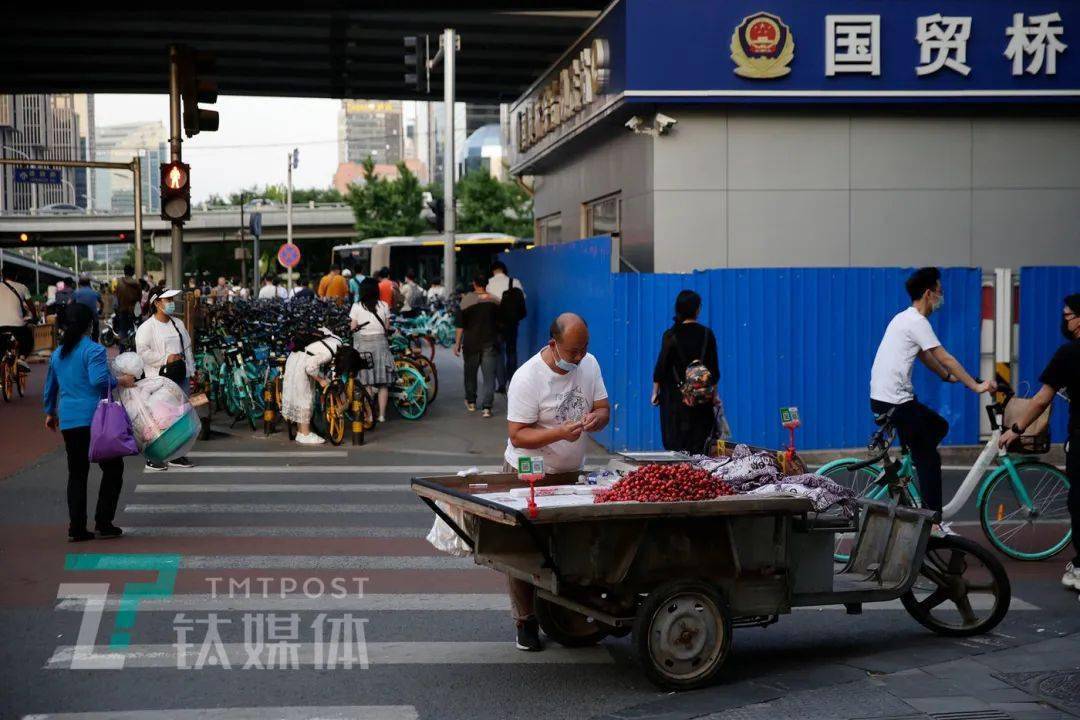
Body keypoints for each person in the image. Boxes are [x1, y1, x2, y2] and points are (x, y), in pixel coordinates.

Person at [503, 312, 610, 650]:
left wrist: (596, 420)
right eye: (572, 351)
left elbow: (604, 409)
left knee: (568, 549)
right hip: (530, 472)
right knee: (523, 551)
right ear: (553, 345)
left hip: (572, 473)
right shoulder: (527, 378)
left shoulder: (590, 364)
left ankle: (562, 614)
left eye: (584, 349)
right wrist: (558, 432)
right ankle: (525, 622)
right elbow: (517, 435)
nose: (579, 358)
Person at [869, 267, 994, 521]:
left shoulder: (904, 318)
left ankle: (913, 460)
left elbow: (925, 355)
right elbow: (944, 356)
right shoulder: (916, 321)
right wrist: (975, 386)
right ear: (928, 293)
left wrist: (945, 376)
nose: (942, 297)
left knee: (938, 426)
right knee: (930, 459)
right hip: (896, 401)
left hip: (889, 398)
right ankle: (933, 521)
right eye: (940, 291)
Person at [999, 293, 1079, 594]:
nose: (1065, 319)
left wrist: (1016, 429)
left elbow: (1042, 399)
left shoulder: (1068, 354)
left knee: (1078, 502)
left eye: (1068, 314)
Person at [43, 303, 135, 542]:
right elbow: (98, 380)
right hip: (96, 420)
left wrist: (50, 413)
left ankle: (77, 527)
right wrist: (120, 380)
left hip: (70, 421)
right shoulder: (93, 350)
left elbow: (50, 387)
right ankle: (104, 522)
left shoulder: (57, 353)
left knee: (77, 474)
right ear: (89, 324)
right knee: (113, 468)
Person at [651, 290, 721, 453]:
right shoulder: (707, 334)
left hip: (676, 403)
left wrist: (654, 392)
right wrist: (715, 396)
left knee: (677, 451)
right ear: (697, 310)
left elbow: (661, 367)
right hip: (701, 402)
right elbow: (714, 370)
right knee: (700, 448)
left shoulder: (671, 335)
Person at [134, 287, 196, 471]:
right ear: (157, 303)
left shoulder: (178, 324)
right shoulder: (147, 328)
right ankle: (153, 457)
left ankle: (176, 454)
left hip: (181, 377)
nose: (171, 303)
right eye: (167, 299)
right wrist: (165, 358)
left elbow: (187, 349)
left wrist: (192, 371)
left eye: (172, 299)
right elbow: (142, 353)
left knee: (180, 418)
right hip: (159, 381)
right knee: (160, 421)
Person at [281, 328, 343, 445]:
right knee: (305, 399)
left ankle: (300, 432)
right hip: (302, 365)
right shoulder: (329, 352)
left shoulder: (327, 340)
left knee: (298, 397)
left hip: (294, 359)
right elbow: (310, 368)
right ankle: (305, 434)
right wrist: (320, 380)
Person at [454, 274, 500, 418]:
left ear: (474, 284)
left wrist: (457, 344)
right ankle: (487, 408)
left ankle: (472, 402)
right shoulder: (495, 300)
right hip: (490, 342)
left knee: (470, 374)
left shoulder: (466, 300)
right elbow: (500, 322)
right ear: (486, 284)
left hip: (471, 343)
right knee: (489, 377)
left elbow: (460, 325)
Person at [349, 278, 393, 423]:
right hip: (381, 345)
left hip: (363, 346)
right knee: (382, 383)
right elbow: (386, 328)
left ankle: (369, 415)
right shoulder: (384, 305)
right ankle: (382, 415)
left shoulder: (356, 306)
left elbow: (352, 327)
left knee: (367, 382)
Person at [487, 261, 527, 393]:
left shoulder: (489, 284)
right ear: (504, 270)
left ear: (493, 270)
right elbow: (523, 298)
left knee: (498, 352)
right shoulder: (514, 282)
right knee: (511, 352)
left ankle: (501, 384)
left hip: (495, 323)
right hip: (512, 323)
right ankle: (513, 382)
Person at [0, 266, 35, 373]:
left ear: (2, 274)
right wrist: (35, 317)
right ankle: (21, 358)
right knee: (28, 336)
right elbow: (31, 307)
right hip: (17, 326)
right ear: (16, 276)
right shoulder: (23, 288)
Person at [113, 265, 141, 341]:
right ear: (133, 272)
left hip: (123, 310)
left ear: (124, 272)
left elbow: (117, 297)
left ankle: (122, 350)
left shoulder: (119, 282)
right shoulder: (137, 283)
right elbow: (139, 299)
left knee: (123, 332)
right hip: (135, 311)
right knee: (138, 330)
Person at [73, 276, 103, 341]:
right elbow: (101, 303)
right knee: (96, 327)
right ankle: (95, 341)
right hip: (92, 315)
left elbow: (70, 303)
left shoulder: (76, 293)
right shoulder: (95, 292)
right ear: (89, 283)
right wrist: (100, 310)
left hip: (80, 316)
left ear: (79, 283)